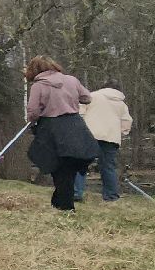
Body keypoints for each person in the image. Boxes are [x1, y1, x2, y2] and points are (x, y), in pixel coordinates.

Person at [24, 56, 100, 211]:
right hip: (74, 125)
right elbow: (87, 98)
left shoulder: (38, 86)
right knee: (68, 166)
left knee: (57, 166)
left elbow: (32, 111)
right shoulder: (71, 80)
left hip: (51, 128)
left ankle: (65, 204)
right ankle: (61, 201)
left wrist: (32, 121)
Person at [75, 80, 133, 202]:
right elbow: (127, 123)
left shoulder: (92, 96)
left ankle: (76, 192)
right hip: (111, 138)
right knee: (108, 167)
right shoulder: (122, 104)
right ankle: (111, 196)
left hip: (89, 134)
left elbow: (80, 113)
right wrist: (120, 132)